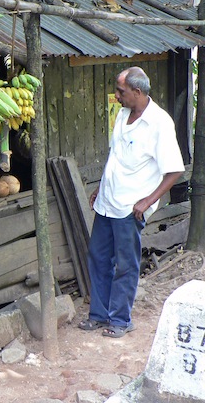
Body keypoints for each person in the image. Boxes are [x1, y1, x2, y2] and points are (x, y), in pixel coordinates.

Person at [79, 67, 185, 338]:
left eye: (121, 92)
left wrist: (148, 201)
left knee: (125, 265)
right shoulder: (123, 114)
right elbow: (115, 155)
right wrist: (100, 187)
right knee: (99, 258)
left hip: (130, 209)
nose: (116, 96)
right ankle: (99, 315)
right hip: (106, 202)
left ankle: (121, 320)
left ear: (138, 92)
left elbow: (174, 170)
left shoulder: (160, 123)